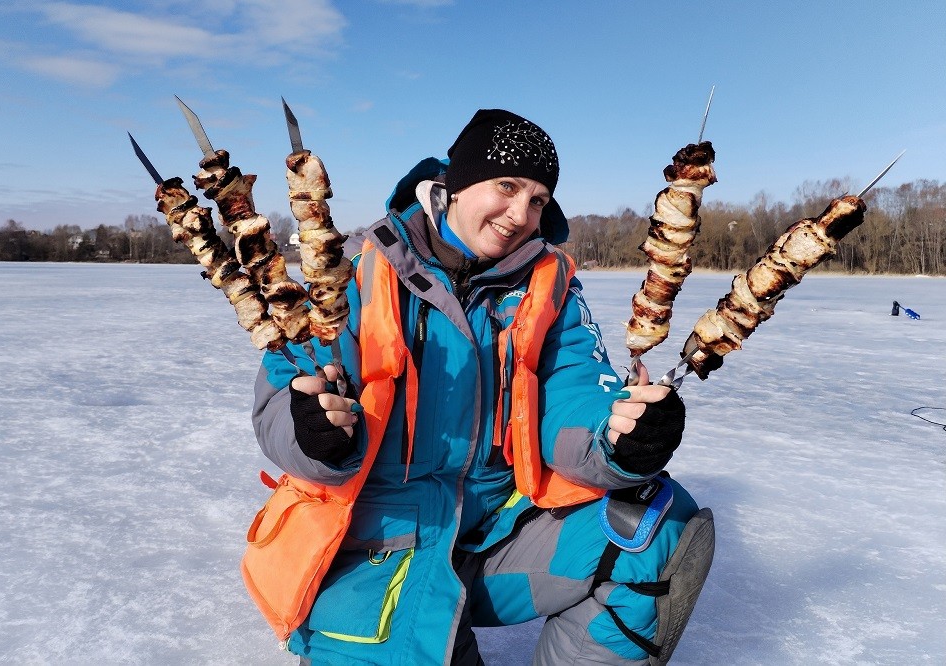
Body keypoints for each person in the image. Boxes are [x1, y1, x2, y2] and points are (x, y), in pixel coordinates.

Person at [252, 109, 714, 665]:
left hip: (497, 536)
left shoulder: (551, 285)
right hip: (374, 548)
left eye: (539, 199)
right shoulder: (348, 271)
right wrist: (313, 435)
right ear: (456, 183)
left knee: (651, 524)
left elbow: (574, 395)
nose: (521, 214)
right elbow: (283, 395)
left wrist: (617, 439)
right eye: (507, 186)